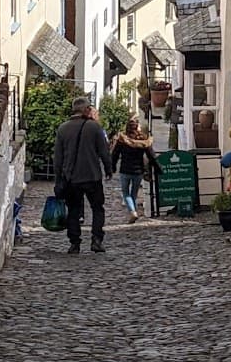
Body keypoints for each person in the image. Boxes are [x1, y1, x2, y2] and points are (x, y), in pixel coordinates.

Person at [53, 98, 112, 255]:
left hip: (71, 178)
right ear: (86, 110)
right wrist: (108, 169)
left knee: (73, 210)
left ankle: (75, 243)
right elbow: (104, 152)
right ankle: (96, 240)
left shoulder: (63, 129)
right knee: (97, 208)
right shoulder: (94, 127)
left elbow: (58, 157)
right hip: (92, 176)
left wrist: (58, 177)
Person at [109, 115, 156, 223]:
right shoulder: (143, 140)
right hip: (138, 171)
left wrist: (112, 167)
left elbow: (115, 155)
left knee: (126, 193)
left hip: (125, 170)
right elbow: (151, 155)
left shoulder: (122, 140)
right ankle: (132, 213)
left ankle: (133, 212)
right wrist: (157, 168)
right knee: (134, 193)